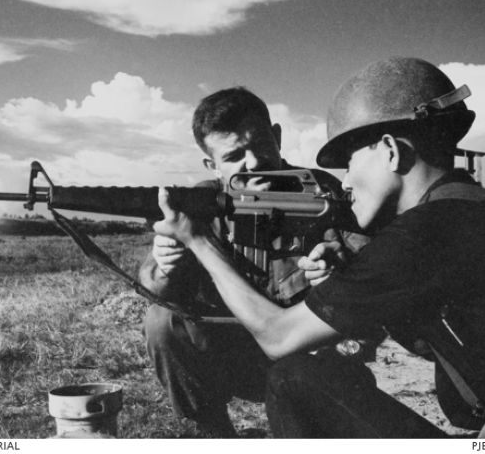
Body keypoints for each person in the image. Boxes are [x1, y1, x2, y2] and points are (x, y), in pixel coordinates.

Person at [153, 58, 485, 437]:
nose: (346, 181)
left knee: (293, 380)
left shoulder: (422, 233)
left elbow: (279, 337)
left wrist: (197, 240)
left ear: (390, 150)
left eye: (350, 162)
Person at [139, 86, 370, 437]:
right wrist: (164, 265)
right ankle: (213, 432)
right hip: (234, 354)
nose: (253, 162)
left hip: (309, 349)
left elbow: (372, 274)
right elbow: (154, 289)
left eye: (260, 144)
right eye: (233, 155)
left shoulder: (321, 193)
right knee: (162, 321)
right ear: (212, 165)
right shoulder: (199, 205)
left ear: (277, 136)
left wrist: (337, 271)